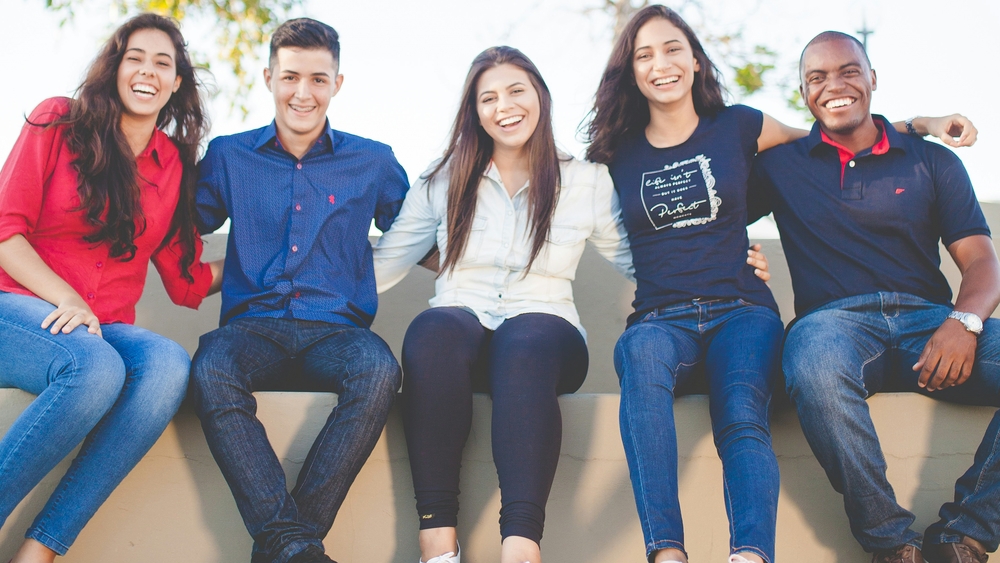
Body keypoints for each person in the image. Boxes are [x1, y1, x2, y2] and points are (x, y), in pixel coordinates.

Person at [584, 6, 974, 563]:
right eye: (644, 54)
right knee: (638, 366)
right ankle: (666, 552)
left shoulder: (742, 125)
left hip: (742, 308)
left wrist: (922, 125)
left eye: (673, 49)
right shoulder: (614, 153)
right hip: (659, 316)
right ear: (631, 70)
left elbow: (835, 134)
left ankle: (750, 555)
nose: (661, 64)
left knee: (742, 413)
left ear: (695, 61)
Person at [372, 45, 696, 563]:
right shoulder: (443, 178)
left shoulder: (586, 181)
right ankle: (437, 545)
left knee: (525, 340)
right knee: (432, 328)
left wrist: (723, 264)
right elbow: (381, 266)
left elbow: (643, 262)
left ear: (540, 96)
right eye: (488, 98)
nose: (505, 106)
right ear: (474, 112)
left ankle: (521, 548)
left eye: (516, 90)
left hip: (546, 338)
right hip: (459, 340)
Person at [749, 31, 999, 563]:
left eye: (848, 71)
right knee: (812, 365)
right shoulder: (781, 164)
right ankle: (891, 544)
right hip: (833, 327)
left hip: (931, 326)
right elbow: (707, 173)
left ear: (872, 80)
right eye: (816, 78)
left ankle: (967, 536)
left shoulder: (931, 160)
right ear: (803, 93)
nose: (833, 85)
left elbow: (981, 262)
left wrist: (965, 322)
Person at [0, 13, 219, 563]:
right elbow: (5, 231)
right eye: (135, 58)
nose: (147, 71)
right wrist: (65, 297)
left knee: (168, 364)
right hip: (17, 309)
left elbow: (186, 280)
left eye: (162, 63)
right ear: (115, 68)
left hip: (103, 328)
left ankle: (40, 550)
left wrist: (275, 258)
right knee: (95, 366)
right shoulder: (58, 122)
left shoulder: (173, 165)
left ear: (176, 84)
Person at [189, 18, 409, 563]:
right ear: (269, 77)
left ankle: (286, 547)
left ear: (338, 83)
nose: (302, 93)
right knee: (210, 366)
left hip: (336, 332)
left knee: (379, 370)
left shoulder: (373, 160)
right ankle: (298, 547)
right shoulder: (228, 155)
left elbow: (421, 233)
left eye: (317, 78)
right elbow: (173, 227)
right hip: (251, 330)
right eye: (290, 77)